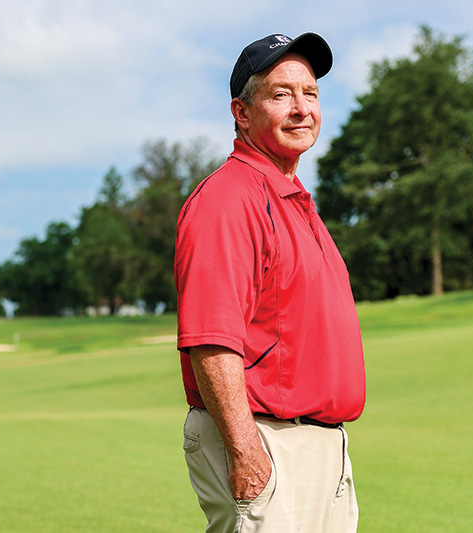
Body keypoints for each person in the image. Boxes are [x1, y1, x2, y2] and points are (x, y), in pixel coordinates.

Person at [174, 33, 366, 532]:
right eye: (281, 95)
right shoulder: (229, 199)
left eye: (311, 94)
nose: (302, 108)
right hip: (264, 440)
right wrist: (245, 450)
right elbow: (212, 339)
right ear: (242, 112)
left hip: (319, 442)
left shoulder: (293, 197)